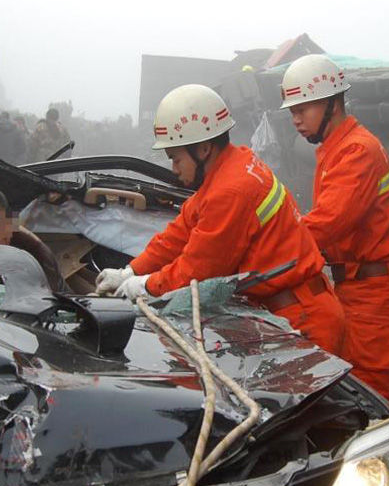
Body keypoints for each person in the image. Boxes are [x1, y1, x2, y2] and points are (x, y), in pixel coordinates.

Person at [95, 84, 345, 356]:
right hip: (295, 309)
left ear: (203, 149)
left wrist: (142, 287)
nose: (174, 169)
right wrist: (129, 272)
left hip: (303, 318)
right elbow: (177, 235)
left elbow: (195, 270)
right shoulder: (231, 166)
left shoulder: (231, 190)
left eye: (176, 159)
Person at [279, 54, 389, 405]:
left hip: (376, 295)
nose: (295, 120)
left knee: (370, 399)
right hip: (359, 289)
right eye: (292, 112)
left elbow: (327, 225)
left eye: (302, 110)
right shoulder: (337, 148)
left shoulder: (356, 151)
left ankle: (381, 458)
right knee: (350, 394)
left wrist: (270, 244)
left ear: (332, 103)